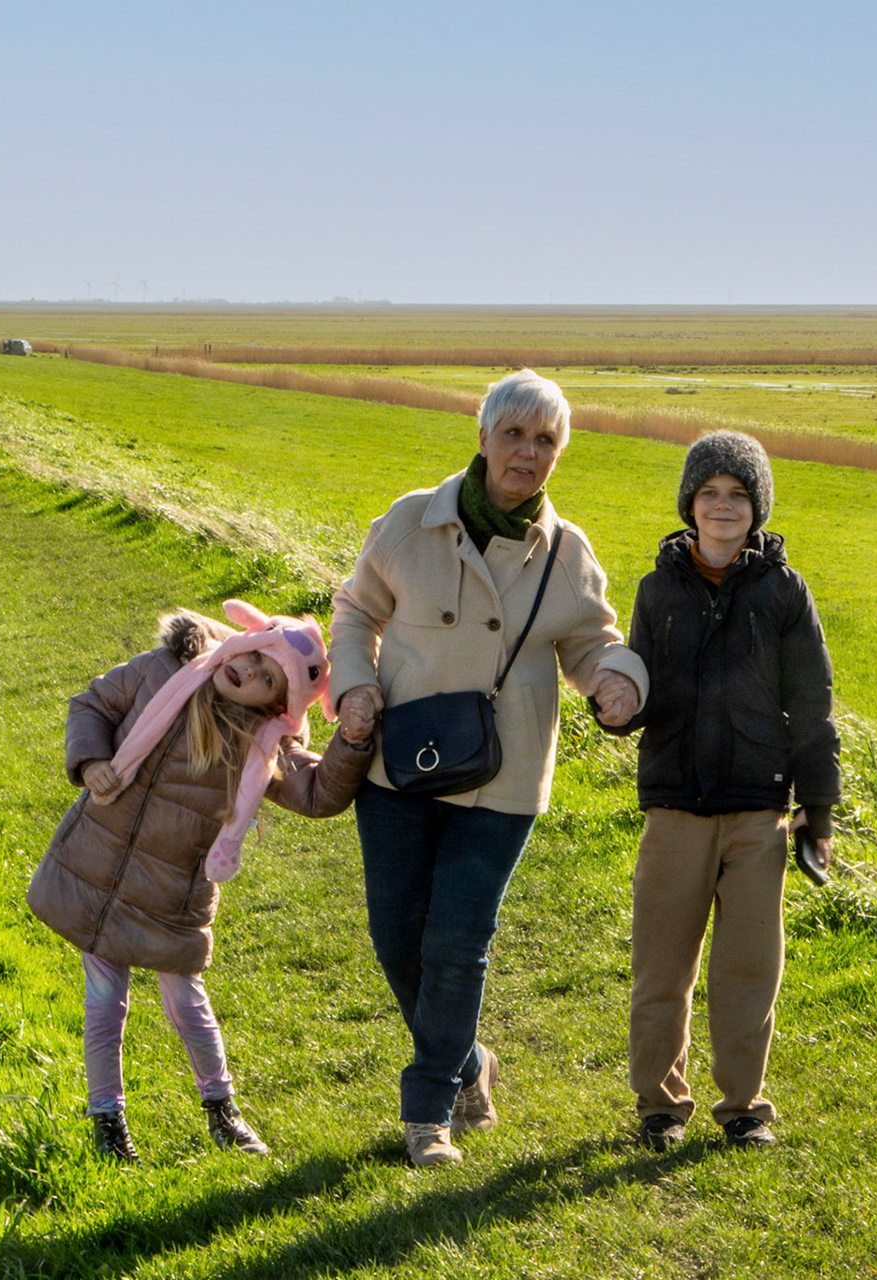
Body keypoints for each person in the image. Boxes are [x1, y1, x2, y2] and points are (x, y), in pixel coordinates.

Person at [329, 368, 649, 1167]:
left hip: (503, 780)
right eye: (515, 435)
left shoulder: (568, 553)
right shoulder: (411, 522)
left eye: (546, 441)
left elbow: (591, 640)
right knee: (397, 935)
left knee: (458, 943)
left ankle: (430, 1109)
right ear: (482, 438)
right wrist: (355, 687)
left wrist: (618, 678)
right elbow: (355, 611)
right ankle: (471, 1061)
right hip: (400, 764)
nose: (529, 453)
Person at [27, 600, 375, 1163]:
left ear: (277, 706)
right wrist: (90, 761)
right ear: (243, 640)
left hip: (173, 894)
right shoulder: (162, 671)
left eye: (270, 681)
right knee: (104, 1002)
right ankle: (107, 1119)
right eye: (258, 657)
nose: (252, 673)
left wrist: (353, 743)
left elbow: (317, 793)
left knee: (187, 1004)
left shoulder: (261, 742)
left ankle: (222, 1109)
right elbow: (93, 703)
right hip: (97, 866)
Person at [606, 430, 841, 1152]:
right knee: (661, 964)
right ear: (690, 503)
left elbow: (813, 700)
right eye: (709, 493)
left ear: (757, 507)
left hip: (759, 810)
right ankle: (659, 1105)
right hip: (675, 806)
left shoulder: (784, 592)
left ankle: (743, 1107)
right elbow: (637, 688)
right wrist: (613, 703)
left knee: (748, 968)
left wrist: (818, 809)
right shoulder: (656, 590)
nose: (722, 506)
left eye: (738, 495)